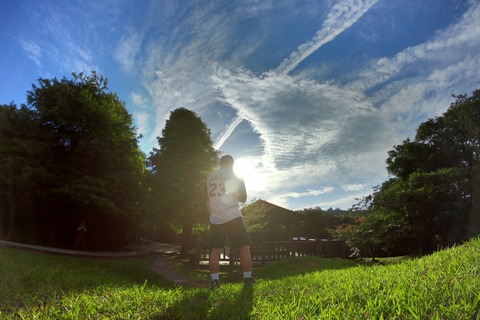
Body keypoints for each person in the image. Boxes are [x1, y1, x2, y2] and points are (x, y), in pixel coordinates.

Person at [203, 155, 255, 291]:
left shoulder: (209, 178)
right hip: (233, 216)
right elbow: (243, 199)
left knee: (214, 251)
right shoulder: (235, 176)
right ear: (232, 164)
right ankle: (248, 278)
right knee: (243, 248)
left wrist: (216, 209)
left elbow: (205, 200)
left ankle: (215, 281)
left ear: (219, 163)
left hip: (215, 218)